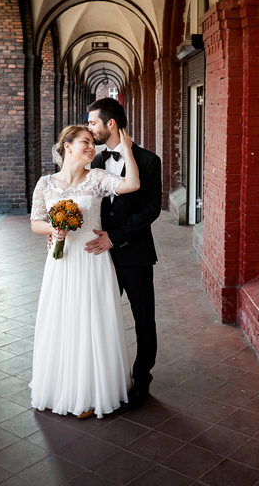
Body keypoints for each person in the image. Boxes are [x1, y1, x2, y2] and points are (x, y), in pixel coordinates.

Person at [29, 124, 140, 419]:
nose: (92, 148)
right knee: (63, 320)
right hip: (61, 262)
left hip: (92, 260)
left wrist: (127, 148)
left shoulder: (97, 178)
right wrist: (54, 229)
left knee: (93, 321)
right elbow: (35, 222)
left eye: (93, 143)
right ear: (67, 146)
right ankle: (62, 388)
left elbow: (131, 185)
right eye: (85, 142)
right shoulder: (45, 183)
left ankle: (94, 391)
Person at [84, 98, 162, 411]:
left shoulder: (148, 160)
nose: (90, 128)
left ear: (111, 123)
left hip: (136, 255)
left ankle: (141, 378)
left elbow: (151, 210)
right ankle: (105, 377)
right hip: (101, 257)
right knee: (100, 316)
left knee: (144, 319)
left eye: (93, 123)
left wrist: (115, 238)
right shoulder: (96, 161)